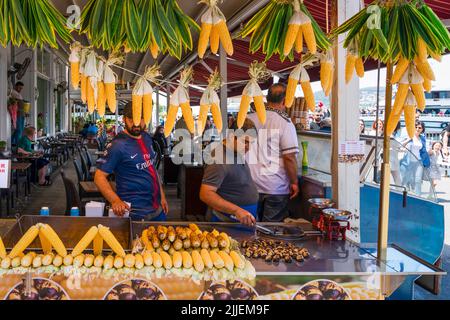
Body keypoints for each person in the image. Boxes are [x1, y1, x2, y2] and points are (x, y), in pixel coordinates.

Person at [94, 102, 169, 221]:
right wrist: (115, 200)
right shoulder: (118, 145)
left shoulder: (146, 137)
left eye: (141, 118)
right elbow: (99, 177)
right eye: (131, 119)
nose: (136, 123)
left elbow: (151, 168)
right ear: (124, 119)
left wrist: (162, 196)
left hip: (157, 209)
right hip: (136, 214)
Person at [247, 83, 299, 222]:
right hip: (275, 187)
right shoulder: (285, 122)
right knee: (271, 235)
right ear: (285, 101)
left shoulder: (248, 118)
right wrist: (294, 182)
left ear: (267, 98)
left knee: (250, 231)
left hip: (250, 185)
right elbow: (289, 157)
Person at [200, 119, 258, 227]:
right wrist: (237, 211)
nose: (248, 147)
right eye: (245, 141)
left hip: (243, 220)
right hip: (227, 221)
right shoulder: (219, 159)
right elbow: (206, 194)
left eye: (251, 143)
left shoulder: (236, 151)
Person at [400, 121, 430, 195]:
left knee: (418, 179)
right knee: (406, 179)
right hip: (408, 161)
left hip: (419, 161)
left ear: (422, 129)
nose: (417, 129)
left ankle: (418, 195)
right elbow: (401, 145)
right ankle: (403, 193)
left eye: (419, 127)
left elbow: (424, 150)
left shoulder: (422, 138)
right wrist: (409, 139)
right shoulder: (409, 136)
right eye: (416, 127)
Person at [390, 122, 402, 186]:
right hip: (389, 159)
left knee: (397, 178)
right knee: (397, 178)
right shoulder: (390, 135)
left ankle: (399, 192)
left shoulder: (395, 135)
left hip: (394, 158)